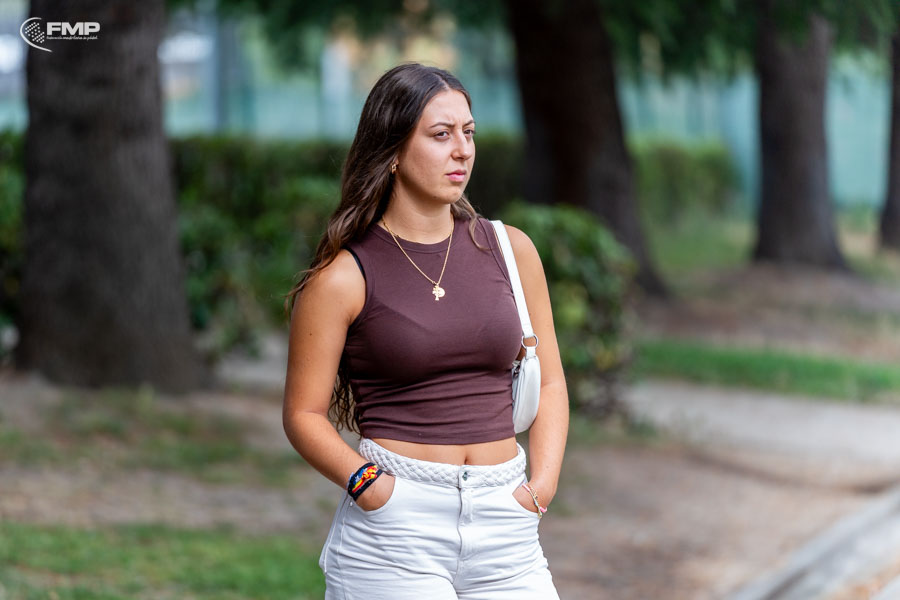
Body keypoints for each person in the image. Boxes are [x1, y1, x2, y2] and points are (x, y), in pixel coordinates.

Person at [281, 62, 569, 600]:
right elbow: (303, 414)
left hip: (506, 519)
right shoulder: (343, 278)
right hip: (396, 527)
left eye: (468, 132)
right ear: (392, 151)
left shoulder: (510, 250)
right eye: (441, 135)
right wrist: (369, 487)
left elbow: (550, 381)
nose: (462, 150)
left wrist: (541, 486)